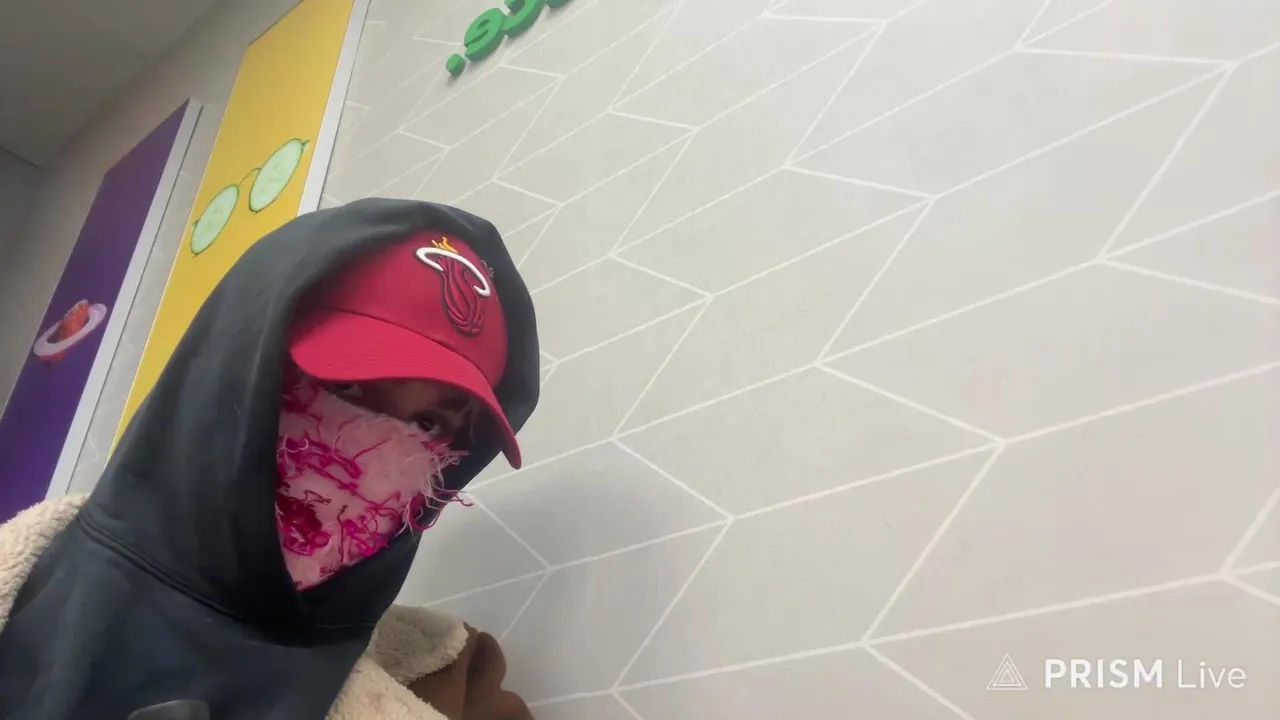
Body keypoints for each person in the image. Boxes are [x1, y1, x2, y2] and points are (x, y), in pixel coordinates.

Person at [0, 199, 540, 719]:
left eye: (429, 425)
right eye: (348, 384)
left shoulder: (449, 678)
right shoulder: (22, 588)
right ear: (231, 371)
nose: (375, 454)